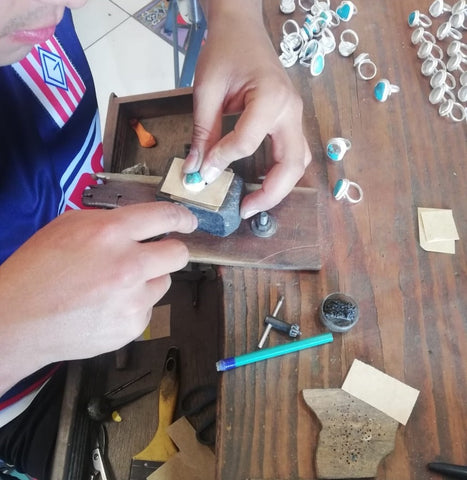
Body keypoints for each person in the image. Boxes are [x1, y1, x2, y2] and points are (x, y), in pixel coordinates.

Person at [0, 0, 311, 478]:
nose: (78, 4)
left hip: (100, 232)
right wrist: (12, 329)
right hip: (23, 397)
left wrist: (237, 20)